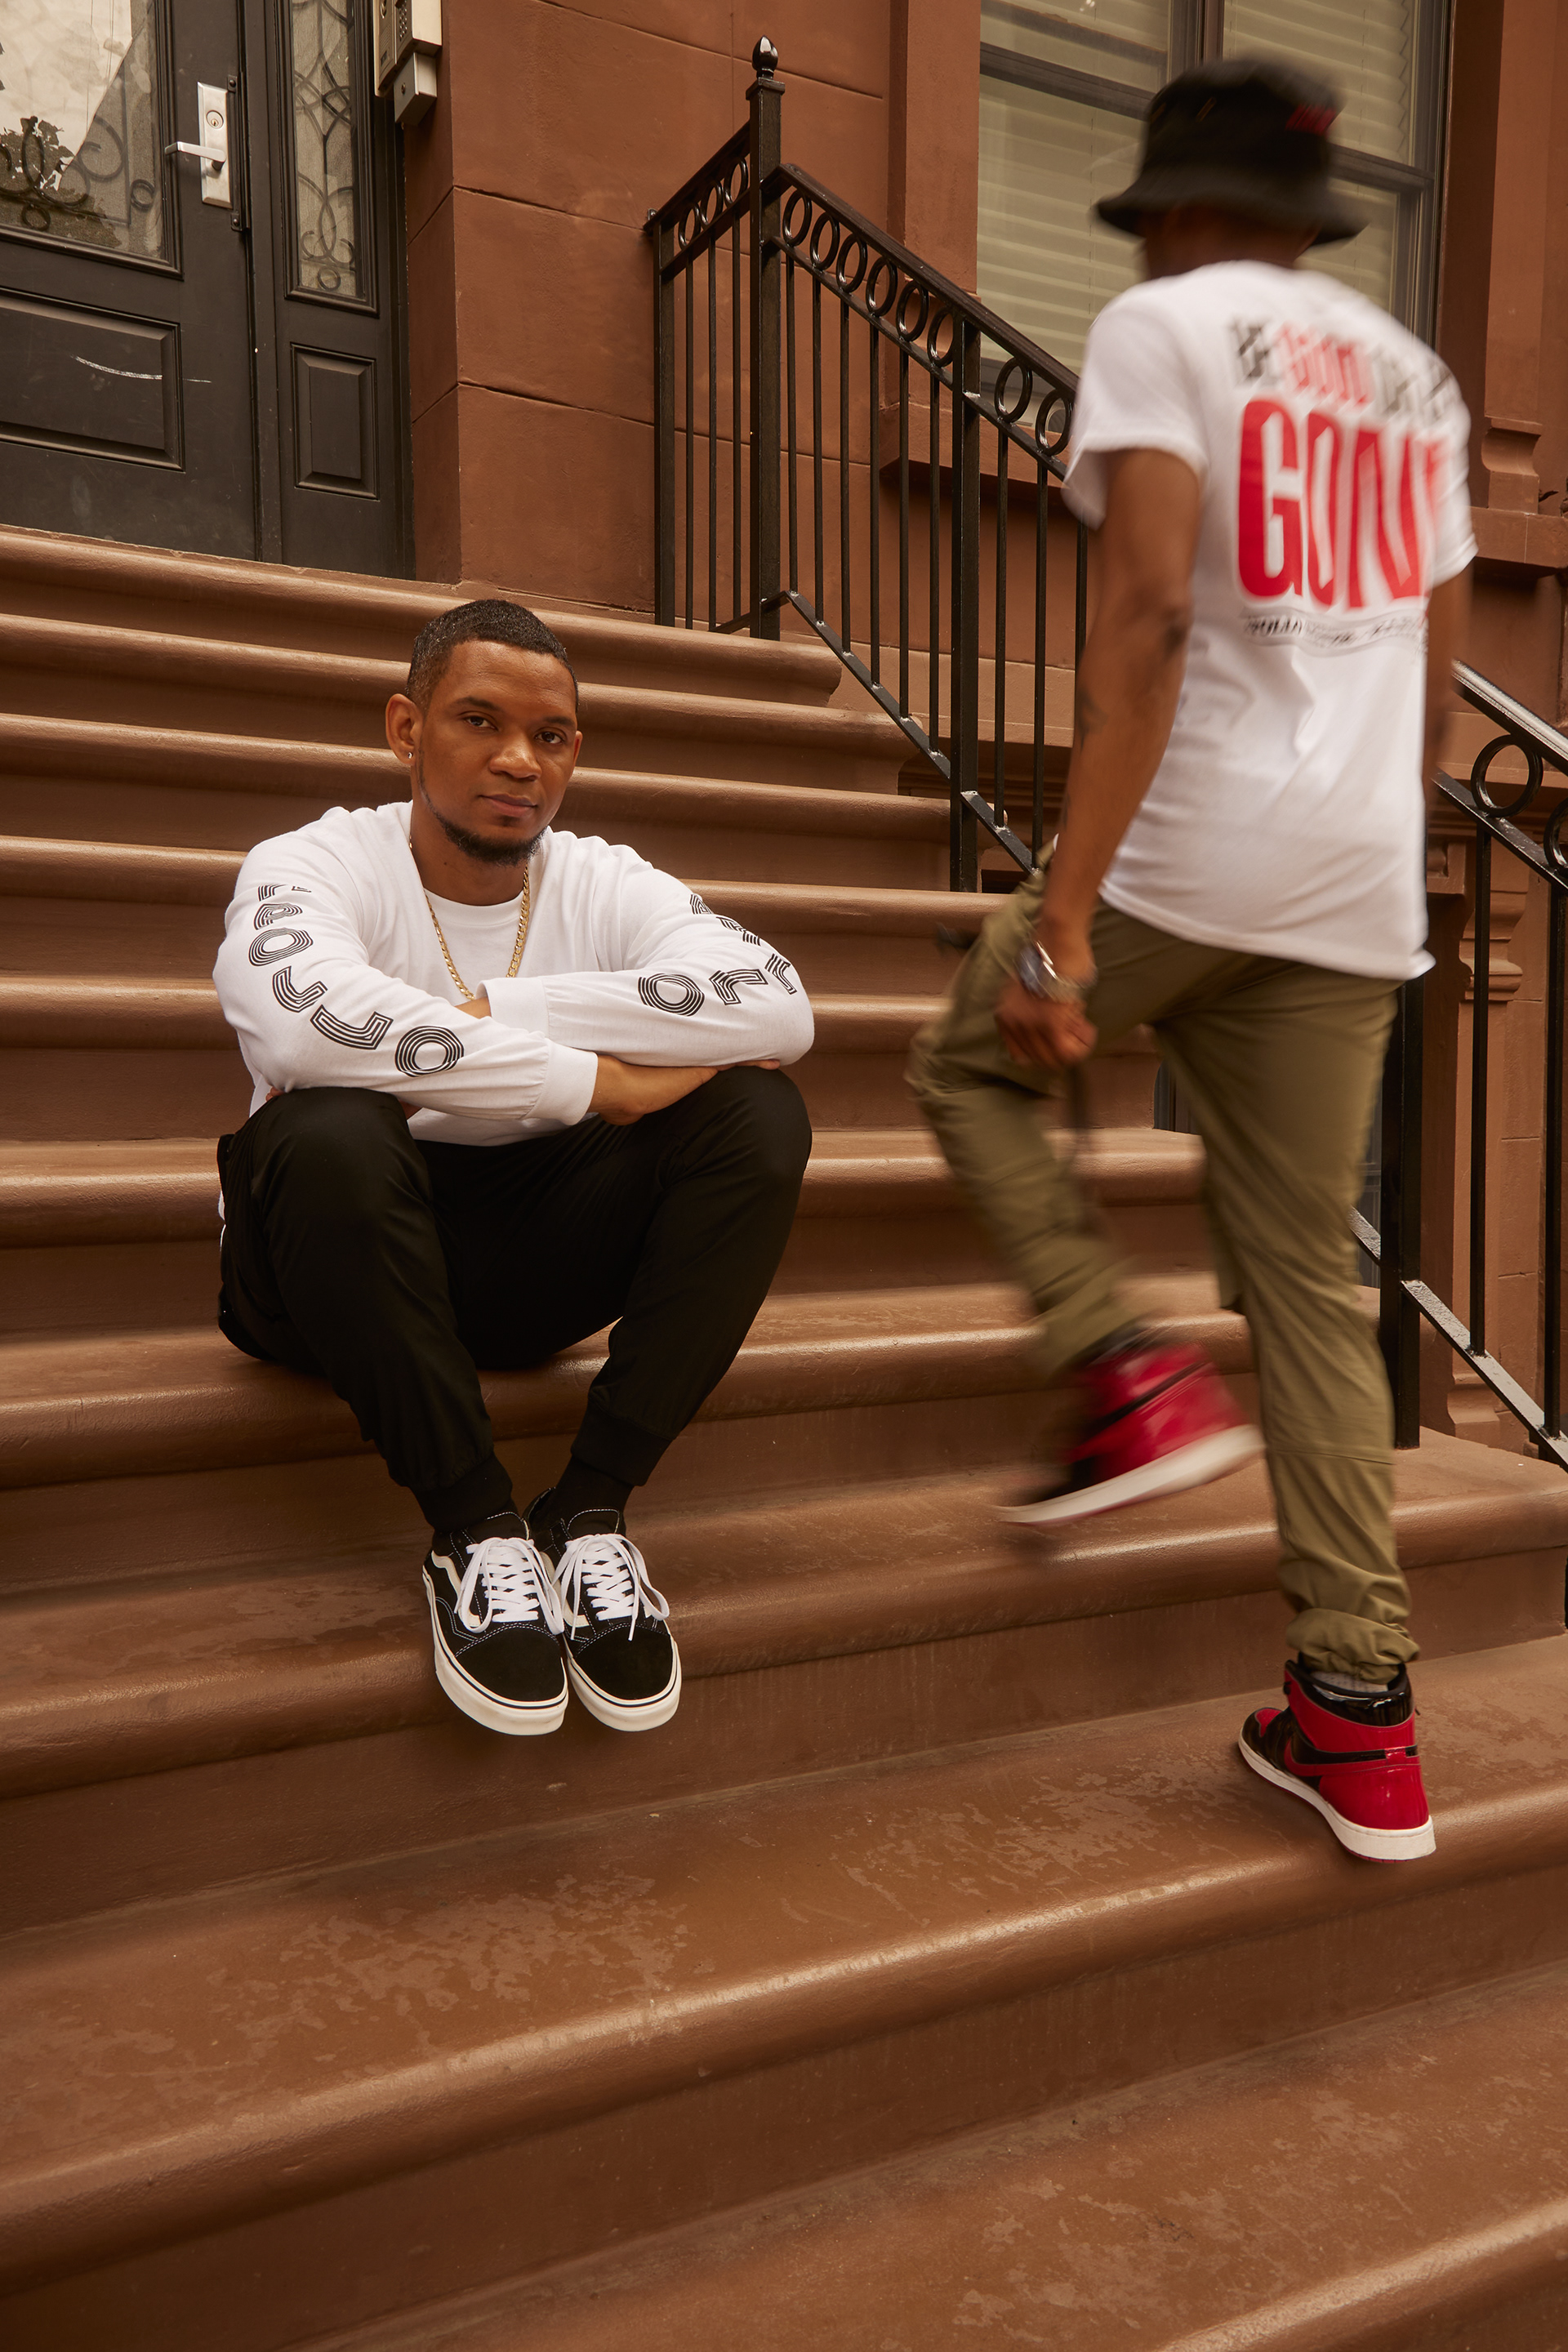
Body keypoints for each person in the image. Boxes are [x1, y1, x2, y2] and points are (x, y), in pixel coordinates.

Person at [908, 60, 1473, 1864]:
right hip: (1360, 881)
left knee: (965, 1058)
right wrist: (1374, 850)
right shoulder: (1420, 381)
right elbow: (1433, 678)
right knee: (1309, 1284)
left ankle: (1123, 1372)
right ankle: (1361, 1715)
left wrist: (1066, 918)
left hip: (1192, 845)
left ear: (1173, 207)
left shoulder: (1163, 329)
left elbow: (1149, 614)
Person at [215, 599, 813, 1741]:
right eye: (479, 721)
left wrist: (514, 1015)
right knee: (328, 1130)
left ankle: (588, 1513)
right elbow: (301, 1028)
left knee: (757, 1114)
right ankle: (475, 1531)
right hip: (327, 1267)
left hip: (528, 1257)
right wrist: (595, 1081)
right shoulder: (313, 862)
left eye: (551, 736)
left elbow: (778, 1007)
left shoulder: (601, 880)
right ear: (406, 728)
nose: (518, 761)